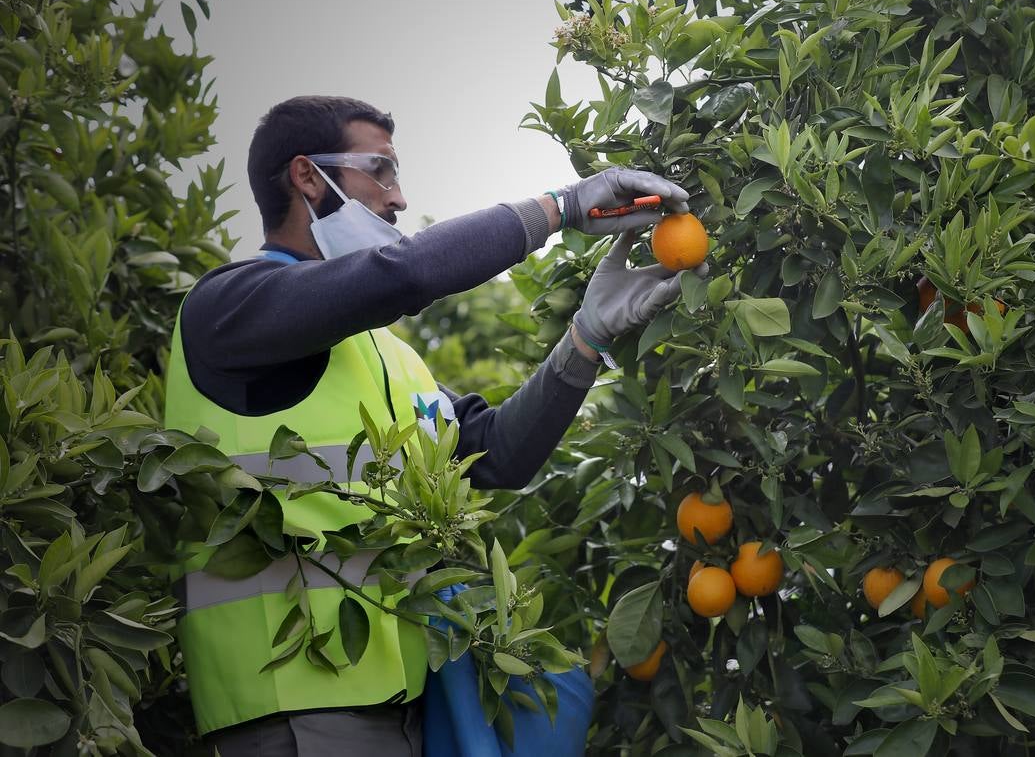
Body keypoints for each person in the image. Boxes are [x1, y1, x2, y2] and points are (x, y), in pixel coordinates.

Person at [162, 95, 701, 756]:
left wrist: (586, 337)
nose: (398, 198)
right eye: (380, 171)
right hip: (292, 713)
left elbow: (499, 455)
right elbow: (407, 271)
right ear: (307, 176)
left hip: (405, 712)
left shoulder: (389, 358)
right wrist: (561, 208)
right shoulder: (227, 311)